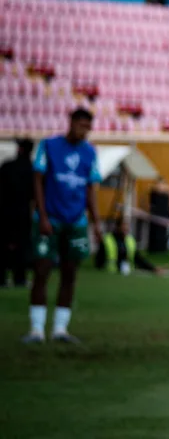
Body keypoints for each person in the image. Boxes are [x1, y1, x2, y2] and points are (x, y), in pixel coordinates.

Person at [23, 108, 101, 344]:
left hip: (76, 221)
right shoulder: (49, 145)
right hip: (51, 218)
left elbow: (90, 189)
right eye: (81, 125)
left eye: (88, 127)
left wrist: (96, 223)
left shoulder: (90, 153)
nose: (84, 130)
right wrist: (42, 215)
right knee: (42, 270)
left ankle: (60, 329)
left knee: (70, 274)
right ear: (71, 123)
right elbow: (38, 180)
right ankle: (36, 329)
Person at [1, 138, 35, 288]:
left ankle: (1, 279)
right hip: (23, 212)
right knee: (22, 245)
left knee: (3, 244)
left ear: (19, 149)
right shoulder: (32, 169)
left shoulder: (7, 166)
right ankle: (19, 278)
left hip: (4, 211)